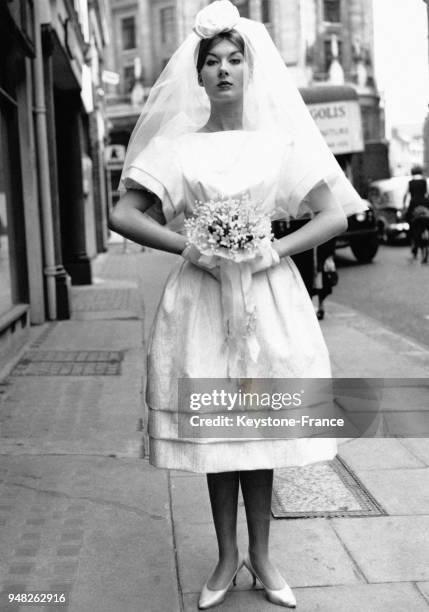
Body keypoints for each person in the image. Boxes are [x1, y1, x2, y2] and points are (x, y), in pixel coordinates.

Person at [109, 2, 366, 608]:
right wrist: (191, 246)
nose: (224, 71)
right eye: (212, 63)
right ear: (198, 77)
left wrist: (272, 250)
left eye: (234, 60)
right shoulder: (177, 145)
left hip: (266, 297)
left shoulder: (280, 140)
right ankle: (226, 558)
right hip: (200, 300)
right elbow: (124, 213)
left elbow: (331, 214)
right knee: (220, 430)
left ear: (251, 70)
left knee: (261, 426)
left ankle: (264, 556)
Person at [404, 165, 429, 256]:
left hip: (414, 203)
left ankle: (413, 242)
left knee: (410, 221)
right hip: (424, 202)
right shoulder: (424, 181)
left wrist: (404, 205)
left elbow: (406, 195)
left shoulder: (410, 182)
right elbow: (426, 193)